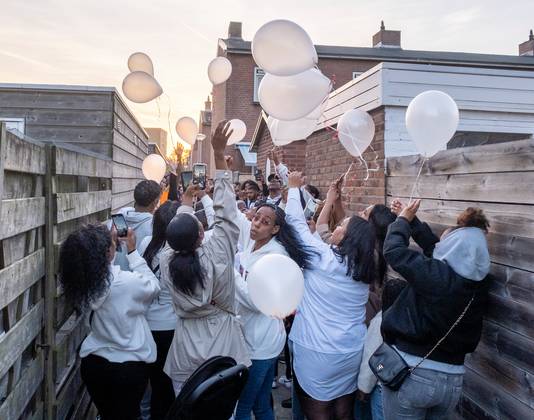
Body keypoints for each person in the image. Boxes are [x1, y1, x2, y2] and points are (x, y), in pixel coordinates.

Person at [161, 120, 251, 394]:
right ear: (201, 235)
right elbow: (226, 215)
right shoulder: (218, 251)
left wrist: (186, 202)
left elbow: (175, 236)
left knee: (187, 409)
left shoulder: (167, 261)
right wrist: (218, 158)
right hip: (222, 347)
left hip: (185, 349)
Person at [382, 201, 490, 419]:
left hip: (415, 374)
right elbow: (436, 250)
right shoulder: (479, 285)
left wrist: (402, 221)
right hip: (452, 382)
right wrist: (413, 222)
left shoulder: (437, 277)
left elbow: (394, 251)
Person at [285, 171, 376, 420]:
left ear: (347, 237)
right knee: (343, 412)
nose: (336, 227)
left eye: (342, 226)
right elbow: (322, 233)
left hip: (318, 350)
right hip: (350, 350)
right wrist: (331, 200)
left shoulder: (324, 258)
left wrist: (293, 188)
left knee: (319, 413)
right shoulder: (362, 268)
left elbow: (295, 225)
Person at [58, 224, 160, 420]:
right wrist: (132, 251)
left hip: (94, 364)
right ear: (108, 252)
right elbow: (154, 287)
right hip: (129, 366)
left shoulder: (81, 282)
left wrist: (106, 242)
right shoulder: (128, 283)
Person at [233, 199, 316, 420]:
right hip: (253, 336)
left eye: (265, 221)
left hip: (261, 344)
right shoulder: (253, 242)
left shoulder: (276, 256)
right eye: (256, 217)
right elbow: (227, 211)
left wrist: (229, 272)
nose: (256, 223)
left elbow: (257, 300)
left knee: (242, 405)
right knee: (260, 403)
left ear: (276, 229)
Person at [137, 201, 180, 419]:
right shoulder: (180, 251)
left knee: (153, 380)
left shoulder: (146, 244)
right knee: (167, 384)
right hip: (171, 325)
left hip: (146, 323)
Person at [354, 278, 407, 420]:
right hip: (405, 386)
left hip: (383, 386)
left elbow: (372, 357)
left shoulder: (381, 321)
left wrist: (363, 387)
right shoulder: (410, 320)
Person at [113, 180, 161, 271]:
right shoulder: (154, 226)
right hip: (137, 279)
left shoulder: (119, 217)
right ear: (155, 202)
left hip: (114, 276)